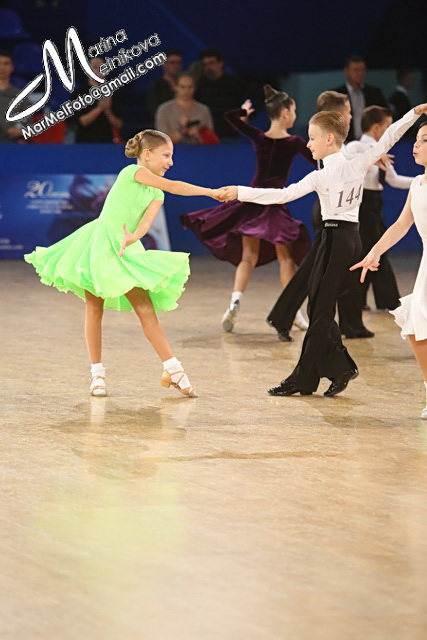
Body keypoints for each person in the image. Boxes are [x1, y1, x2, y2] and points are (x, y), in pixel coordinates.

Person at [219, 103, 427, 397]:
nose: (308, 143)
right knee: (318, 309)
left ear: (329, 139)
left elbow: (282, 195)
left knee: (319, 312)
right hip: (346, 239)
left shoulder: (326, 174)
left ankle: (303, 378)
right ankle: (340, 367)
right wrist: (412, 114)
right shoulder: (354, 164)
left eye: (312, 137)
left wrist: (240, 191)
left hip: (336, 241)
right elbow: (389, 137)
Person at [24, 129, 222, 398]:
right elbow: (175, 186)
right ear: (147, 154)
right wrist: (211, 192)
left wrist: (134, 237)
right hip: (99, 244)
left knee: (145, 308)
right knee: (94, 307)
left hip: (125, 248)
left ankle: (173, 370)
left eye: (171, 156)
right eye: (166, 155)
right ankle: (97, 375)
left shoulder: (157, 193)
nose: (170, 162)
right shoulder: (132, 172)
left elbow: (146, 223)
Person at [181, 85, 316, 333]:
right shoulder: (295, 142)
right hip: (273, 202)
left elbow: (230, 117)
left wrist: (243, 112)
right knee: (286, 258)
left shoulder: (260, 137)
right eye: (294, 110)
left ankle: (234, 302)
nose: (295, 115)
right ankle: (293, 312)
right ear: (286, 113)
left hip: (251, 202)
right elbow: (319, 161)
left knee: (248, 257)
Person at [267, 91, 373, 342]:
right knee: (318, 270)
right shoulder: (329, 143)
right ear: (337, 115)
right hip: (330, 213)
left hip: (335, 212)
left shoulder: (336, 144)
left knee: (329, 268)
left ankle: (348, 324)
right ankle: (286, 316)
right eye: (347, 111)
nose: (350, 116)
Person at [350, 121, 427, 418]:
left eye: (423, 140)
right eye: (416, 139)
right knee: (416, 326)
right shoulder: (417, 185)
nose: (416, 145)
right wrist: (374, 252)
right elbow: (401, 225)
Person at [346, 105, 414, 311]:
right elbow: (348, 163)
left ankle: (367, 301)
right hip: (361, 205)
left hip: (374, 205)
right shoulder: (356, 147)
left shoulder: (380, 151)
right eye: (387, 127)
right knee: (373, 251)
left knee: (373, 251)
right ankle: (386, 302)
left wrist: (422, 180)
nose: (388, 131)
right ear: (376, 127)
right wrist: (372, 157)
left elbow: (394, 180)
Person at [195, 48, 247, 139]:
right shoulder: (199, 85)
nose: (208, 67)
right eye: (205, 64)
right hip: (207, 135)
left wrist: (245, 116)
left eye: (211, 63)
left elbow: (253, 100)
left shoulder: (234, 83)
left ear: (221, 63)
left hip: (230, 134)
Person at [333, 55, 388, 141]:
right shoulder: (337, 95)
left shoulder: (374, 93)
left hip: (371, 141)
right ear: (347, 72)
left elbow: (384, 116)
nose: (360, 73)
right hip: (346, 142)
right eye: (356, 70)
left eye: (362, 70)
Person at [70, 57, 123, 143]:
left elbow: (119, 124)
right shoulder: (79, 94)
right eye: (95, 67)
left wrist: (108, 111)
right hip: (84, 143)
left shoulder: (112, 93)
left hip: (107, 143)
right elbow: (80, 123)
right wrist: (99, 109)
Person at [155, 73, 215, 145]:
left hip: (199, 150)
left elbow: (211, 141)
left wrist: (197, 135)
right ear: (175, 87)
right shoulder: (164, 110)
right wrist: (182, 131)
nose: (186, 91)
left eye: (190, 87)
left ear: (195, 88)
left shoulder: (204, 110)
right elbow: (162, 141)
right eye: (182, 87)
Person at [146, 50, 183, 126]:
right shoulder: (155, 87)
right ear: (164, 64)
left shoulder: (186, 85)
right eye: (172, 63)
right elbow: (154, 112)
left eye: (178, 63)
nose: (176, 66)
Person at [0, 49, 31, 143]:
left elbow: (28, 123)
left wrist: (20, 130)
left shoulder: (20, 96)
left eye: (6, 64)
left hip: (10, 144)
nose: (2, 67)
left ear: (12, 68)